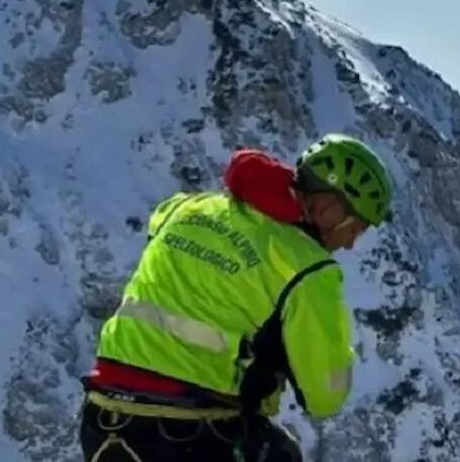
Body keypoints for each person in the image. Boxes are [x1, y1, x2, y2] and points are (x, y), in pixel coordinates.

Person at [78, 133, 394, 462]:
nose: (350, 244)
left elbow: (158, 222)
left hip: (104, 418)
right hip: (187, 435)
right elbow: (325, 397)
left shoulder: (189, 207)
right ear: (328, 209)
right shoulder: (309, 268)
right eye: (356, 228)